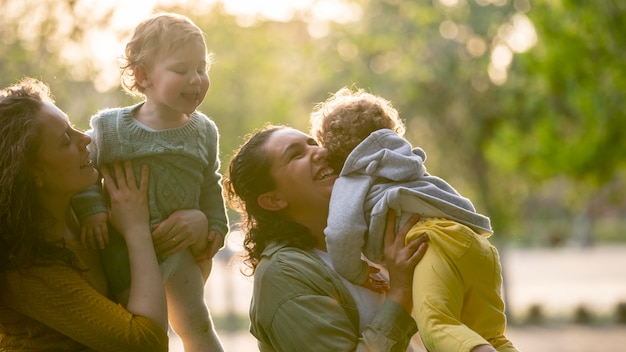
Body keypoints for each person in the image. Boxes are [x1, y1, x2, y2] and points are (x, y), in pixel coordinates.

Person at [309, 87, 519, 352]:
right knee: (489, 336)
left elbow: (341, 232)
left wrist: (357, 272)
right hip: (473, 244)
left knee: (438, 328)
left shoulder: (353, 177)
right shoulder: (408, 160)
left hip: (432, 246)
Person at [71, 13, 228, 352]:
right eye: (181, 70)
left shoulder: (204, 131)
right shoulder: (110, 128)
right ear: (143, 76)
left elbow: (209, 183)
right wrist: (92, 211)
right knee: (144, 332)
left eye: (201, 68)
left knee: (196, 323)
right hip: (124, 253)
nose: (196, 79)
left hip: (179, 249)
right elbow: (85, 170)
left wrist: (216, 223)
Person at [223, 124, 429, 351]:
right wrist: (400, 291)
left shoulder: (369, 238)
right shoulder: (284, 276)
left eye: (312, 143)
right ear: (273, 200)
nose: (321, 152)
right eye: (296, 154)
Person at [0, 78, 167, 351]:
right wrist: (136, 230)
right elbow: (146, 344)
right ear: (34, 174)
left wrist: (197, 221)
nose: (85, 138)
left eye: (72, 127)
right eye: (65, 140)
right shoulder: (25, 266)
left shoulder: (86, 208)